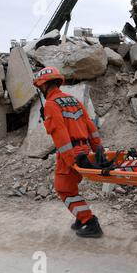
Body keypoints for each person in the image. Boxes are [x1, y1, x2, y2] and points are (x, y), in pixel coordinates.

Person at [33, 66, 104, 238]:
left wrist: (71, 159)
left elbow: (60, 135)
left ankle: (89, 221)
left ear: (44, 85)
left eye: (40, 87)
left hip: (71, 152)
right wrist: (98, 149)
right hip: (84, 150)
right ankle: (81, 216)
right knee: (70, 186)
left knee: (63, 189)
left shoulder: (51, 105)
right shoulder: (73, 100)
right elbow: (90, 126)